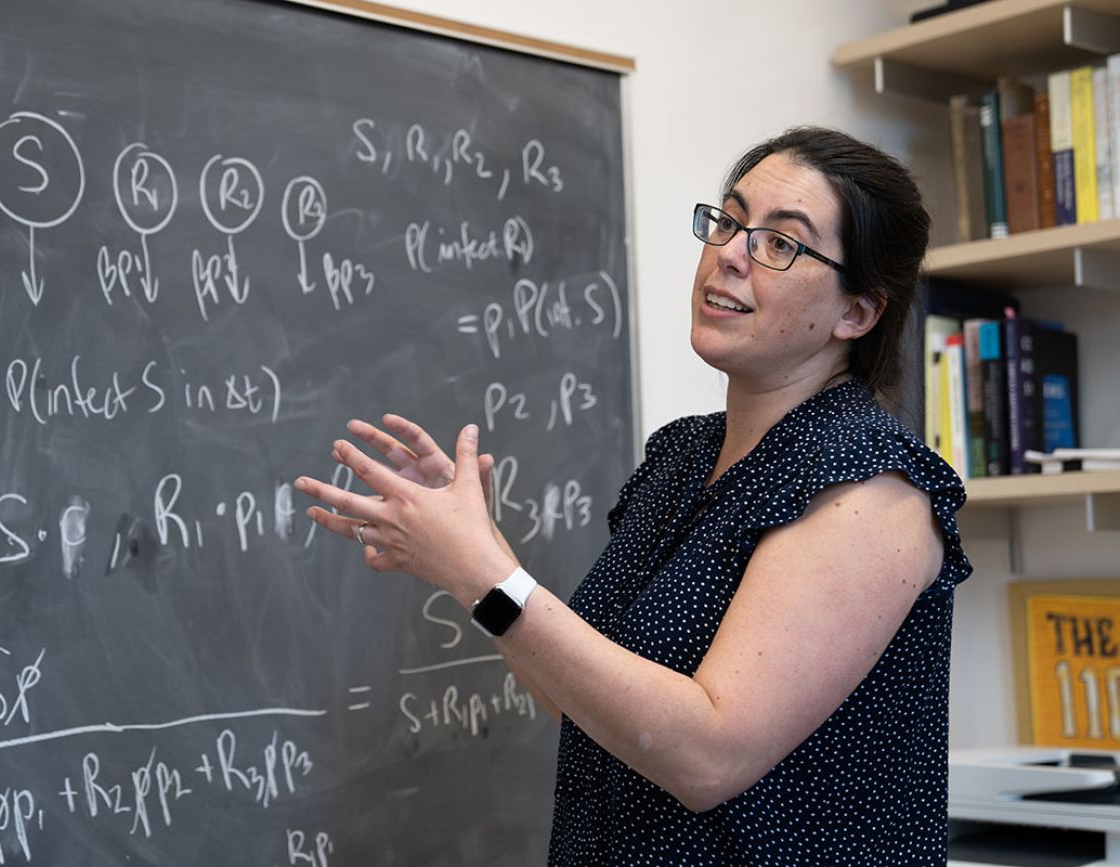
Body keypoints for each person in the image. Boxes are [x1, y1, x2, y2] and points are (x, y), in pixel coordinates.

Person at [293, 126, 971, 866]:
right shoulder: (683, 456)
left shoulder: (869, 485)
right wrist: (478, 555)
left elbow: (709, 755)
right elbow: (578, 700)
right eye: (729, 219)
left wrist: (484, 572)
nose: (731, 253)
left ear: (857, 313)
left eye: (781, 243)